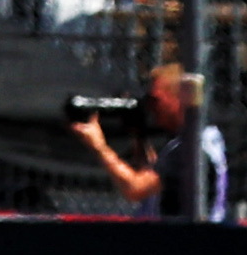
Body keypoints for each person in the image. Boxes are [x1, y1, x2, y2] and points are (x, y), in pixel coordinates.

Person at [73, 66, 230, 225]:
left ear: (178, 99)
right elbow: (158, 176)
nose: (152, 108)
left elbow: (135, 189)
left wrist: (99, 147)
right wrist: (138, 135)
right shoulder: (203, 136)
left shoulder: (190, 149)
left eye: (156, 100)